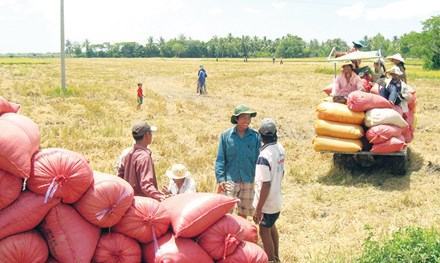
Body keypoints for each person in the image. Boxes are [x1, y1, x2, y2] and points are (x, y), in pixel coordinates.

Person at [215, 104, 261, 218]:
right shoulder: (226, 136)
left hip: (248, 179)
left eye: (249, 117)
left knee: (244, 213)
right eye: (244, 117)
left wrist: (259, 179)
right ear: (236, 119)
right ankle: (228, 235)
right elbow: (220, 159)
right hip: (230, 180)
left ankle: (241, 235)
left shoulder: (255, 137)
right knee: (226, 213)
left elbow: (258, 159)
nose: (247, 120)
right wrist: (220, 179)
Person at [253, 118, 285, 263]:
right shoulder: (280, 148)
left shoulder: (263, 157)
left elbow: (265, 184)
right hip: (277, 199)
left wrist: (259, 209)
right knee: (271, 227)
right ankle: (276, 258)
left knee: (264, 231)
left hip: (267, 203)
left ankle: (271, 260)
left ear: (261, 136)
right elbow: (282, 173)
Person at [117, 121, 164, 201]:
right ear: (146, 135)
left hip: (130, 201)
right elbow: (146, 185)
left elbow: (120, 176)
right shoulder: (144, 157)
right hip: (142, 203)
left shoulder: (128, 154)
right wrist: (160, 196)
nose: (152, 136)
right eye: (151, 133)